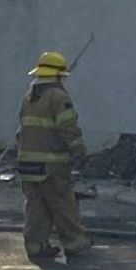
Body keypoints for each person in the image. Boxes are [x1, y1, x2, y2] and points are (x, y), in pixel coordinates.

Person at [17, 52, 90, 259]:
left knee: (36, 207)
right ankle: (75, 241)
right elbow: (68, 128)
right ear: (58, 76)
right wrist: (80, 153)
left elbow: (21, 131)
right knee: (63, 203)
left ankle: (36, 245)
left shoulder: (29, 98)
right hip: (52, 165)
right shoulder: (58, 97)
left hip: (27, 163)